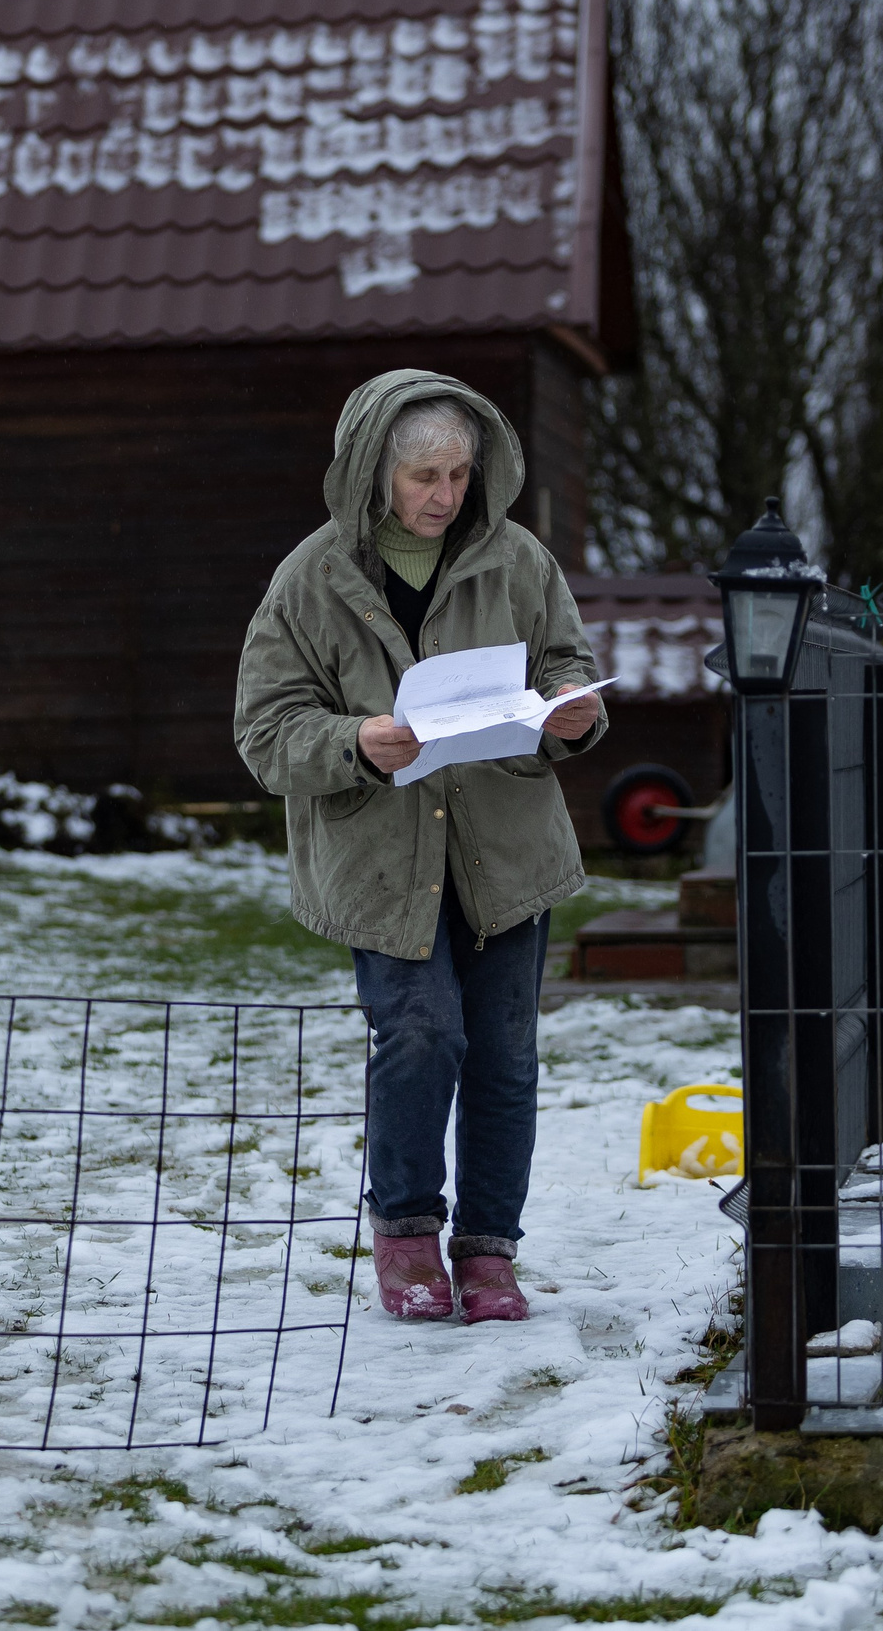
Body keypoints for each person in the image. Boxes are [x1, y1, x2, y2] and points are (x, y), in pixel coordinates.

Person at [234, 369, 606, 1324]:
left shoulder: (518, 559)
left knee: (506, 1056)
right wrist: (355, 741)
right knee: (420, 1032)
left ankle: (488, 1251)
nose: (445, 495)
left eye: (458, 473)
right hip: (380, 858)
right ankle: (405, 1230)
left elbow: (565, 660)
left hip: (505, 850)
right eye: (423, 477)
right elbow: (266, 730)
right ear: (373, 474)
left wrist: (575, 710)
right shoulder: (309, 580)